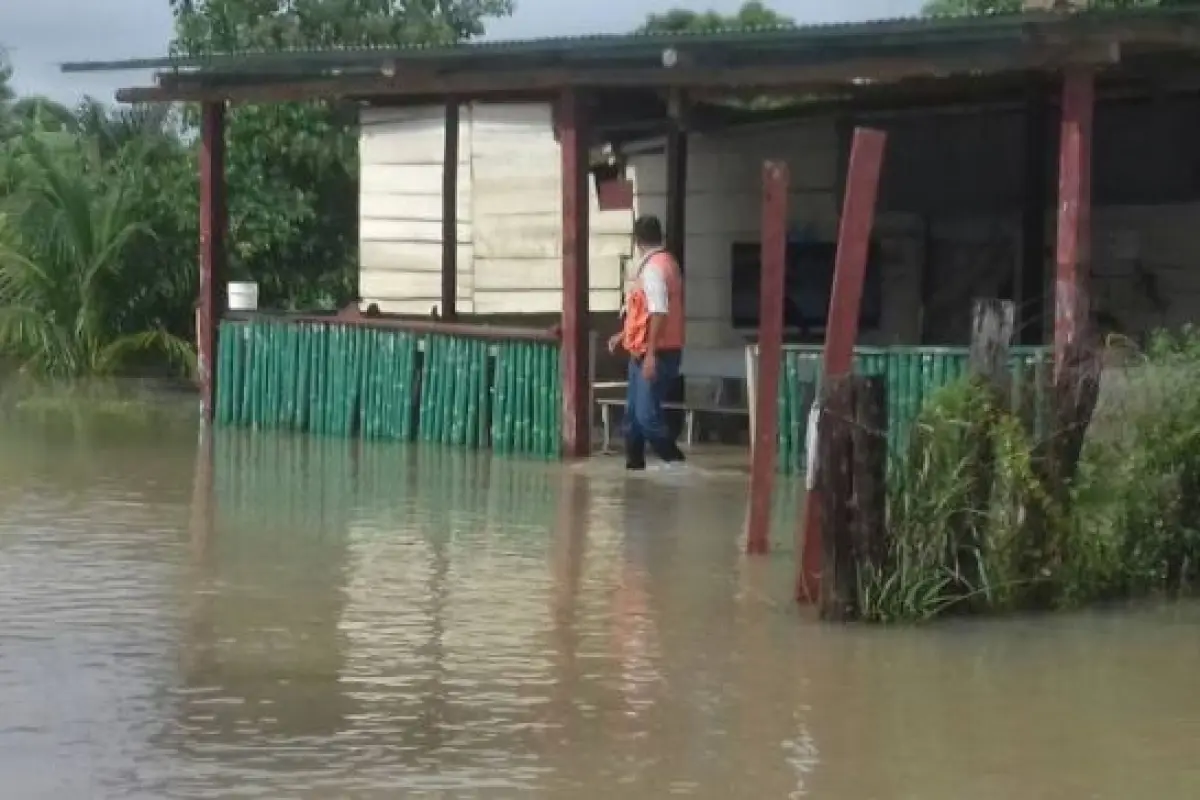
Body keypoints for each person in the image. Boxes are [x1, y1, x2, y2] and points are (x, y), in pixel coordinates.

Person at [608, 215, 686, 471]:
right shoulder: (668, 263)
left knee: (646, 418)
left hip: (656, 353)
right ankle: (634, 472)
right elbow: (643, 312)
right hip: (646, 351)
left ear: (637, 241)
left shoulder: (653, 268)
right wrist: (623, 335)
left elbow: (659, 312)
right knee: (631, 421)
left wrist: (651, 355)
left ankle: (678, 467)